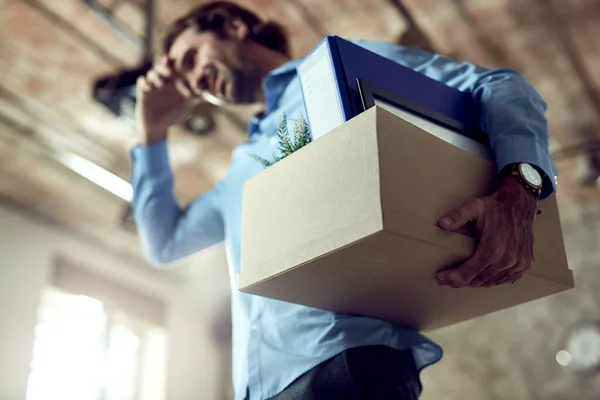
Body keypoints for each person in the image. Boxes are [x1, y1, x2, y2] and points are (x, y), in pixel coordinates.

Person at [131, 1, 558, 399]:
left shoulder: (340, 65)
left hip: (348, 366)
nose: (196, 83)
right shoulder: (239, 169)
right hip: (260, 388)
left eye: (192, 59)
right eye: (188, 85)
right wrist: (151, 133)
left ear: (232, 26)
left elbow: (499, 85)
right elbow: (165, 243)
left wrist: (519, 189)